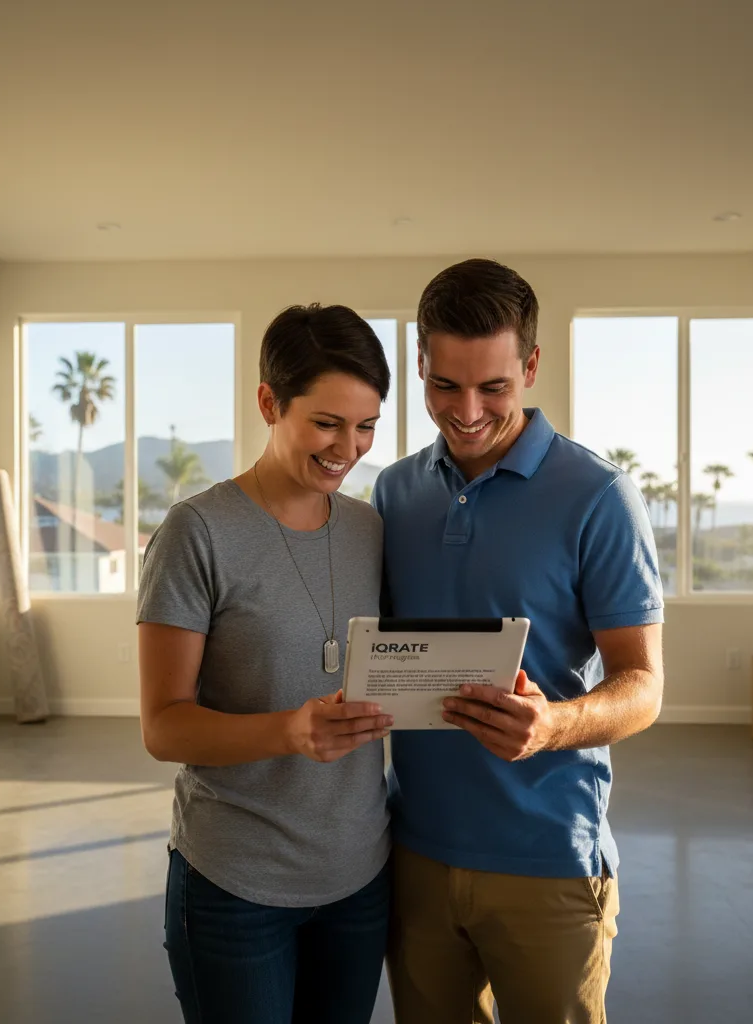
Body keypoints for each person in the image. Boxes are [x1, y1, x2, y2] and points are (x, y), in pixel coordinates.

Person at [372, 259, 665, 1024]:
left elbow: (643, 685)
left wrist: (555, 724)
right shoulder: (393, 493)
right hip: (415, 855)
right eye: (444, 385)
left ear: (530, 366)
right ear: (420, 365)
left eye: (493, 387)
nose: (466, 411)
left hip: (549, 860)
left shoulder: (599, 496)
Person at [136, 303, 395, 1024]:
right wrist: (291, 732)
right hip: (234, 886)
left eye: (367, 424)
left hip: (360, 879)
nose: (349, 447)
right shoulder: (198, 533)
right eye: (327, 422)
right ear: (268, 403)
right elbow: (164, 727)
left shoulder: (371, 528)